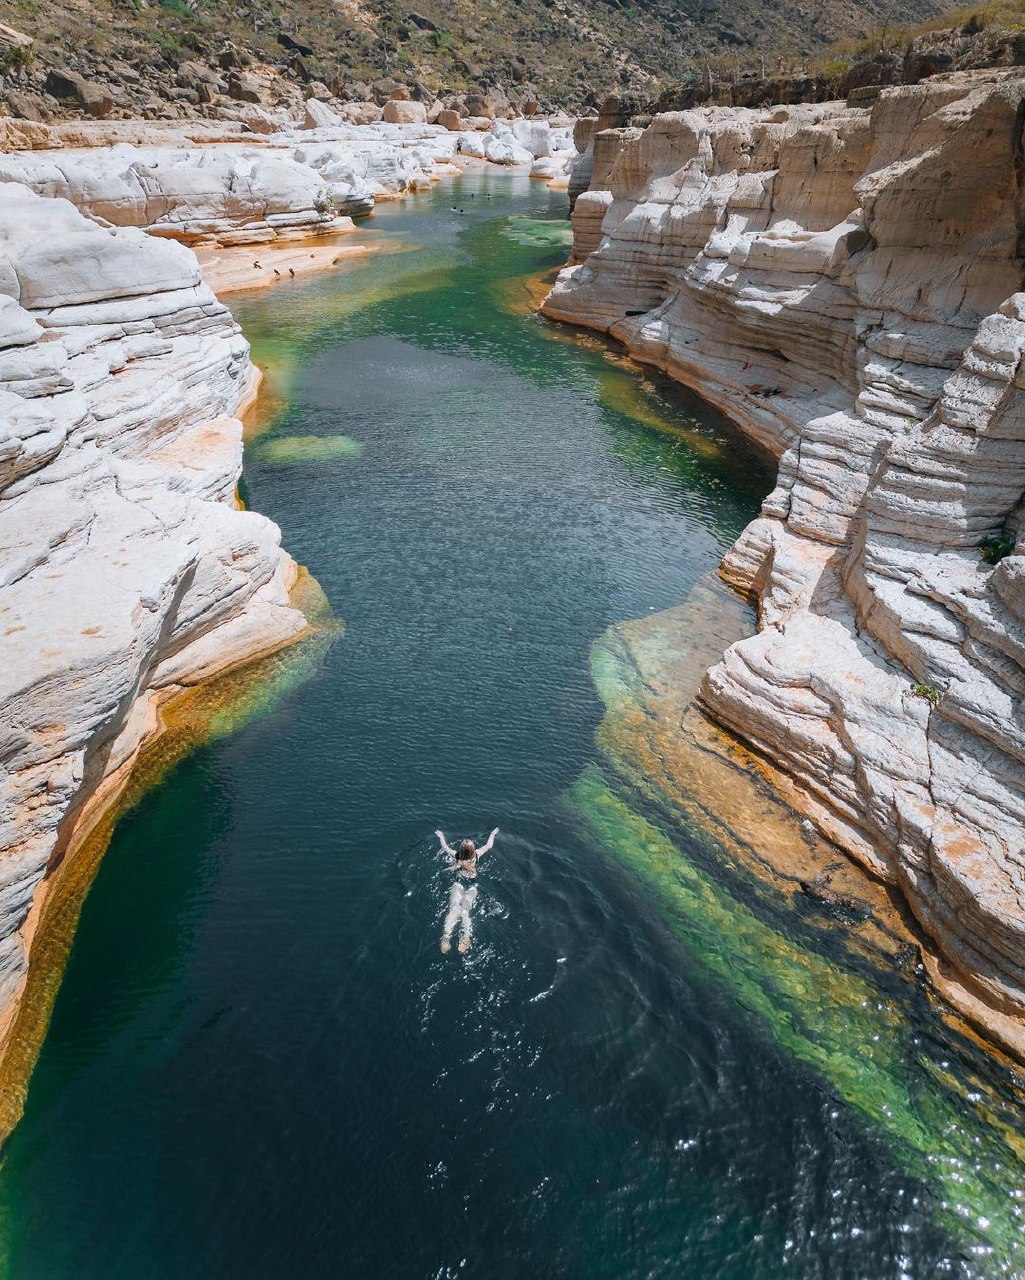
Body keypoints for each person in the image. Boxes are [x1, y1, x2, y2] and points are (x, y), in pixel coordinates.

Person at [435, 827, 499, 954]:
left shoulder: (457, 856)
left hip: (458, 883)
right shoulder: (476, 855)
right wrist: (492, 834)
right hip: (472, 886)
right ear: (473, 850)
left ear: (461, 850)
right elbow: (489, 845)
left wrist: (441, 837)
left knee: (454, 908)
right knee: (465, 912)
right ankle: (466, 935)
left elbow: (445, 847)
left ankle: (446, 937)